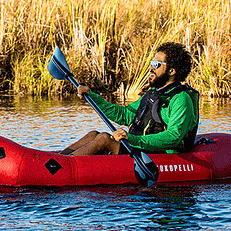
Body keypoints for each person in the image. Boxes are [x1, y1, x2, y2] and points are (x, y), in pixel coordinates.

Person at [60, 42, 198, 156]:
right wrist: (93, 97)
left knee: (103, 139)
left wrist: (132, 138)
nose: (151, 67)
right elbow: (124, 115)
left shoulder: (181, 99)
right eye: (152, 62)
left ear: (171, 71)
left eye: (157, 64)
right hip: (142, 148)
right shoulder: (153, 94)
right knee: (93, 135)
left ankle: (61, 168)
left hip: (162, 155)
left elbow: (174, 137)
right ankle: (57, 159)